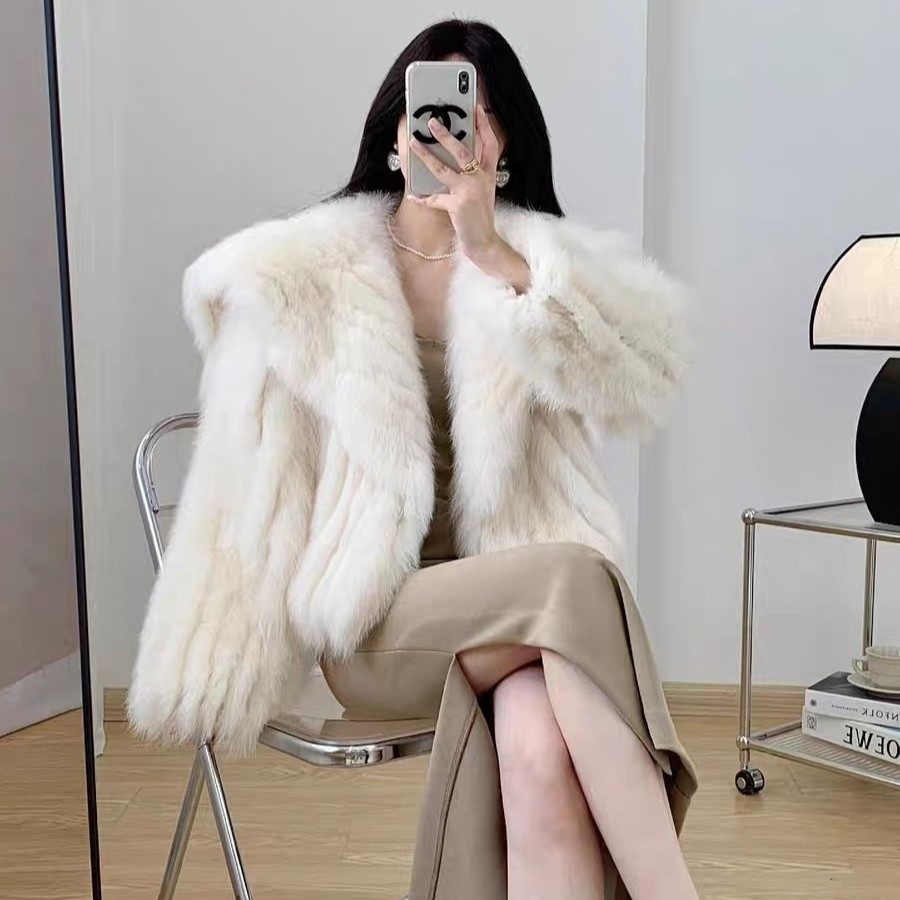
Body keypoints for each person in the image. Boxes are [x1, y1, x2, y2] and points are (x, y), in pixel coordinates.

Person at [129, 17, 700, 900]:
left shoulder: (534, 266)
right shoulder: (298, 277)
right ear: (394, 140)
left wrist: (495, 255)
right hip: (380, 626)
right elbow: (249, 489)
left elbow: (642, 383)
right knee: (579, 579)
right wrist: (214, 659)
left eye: (474, 115)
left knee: (537, 746)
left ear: (504, 146)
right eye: (425, 115)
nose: (446, 136)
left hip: (528, 629)